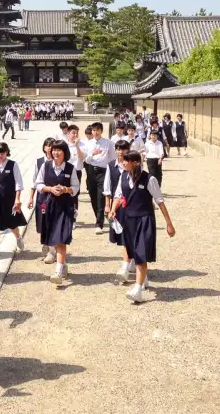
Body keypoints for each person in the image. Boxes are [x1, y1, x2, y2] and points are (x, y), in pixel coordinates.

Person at [109, 151, 176, 303]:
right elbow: (119, 196)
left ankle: (137, 289)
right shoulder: (123, 177)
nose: (123, 163)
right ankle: (143, 279)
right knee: (132, 250)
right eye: (123, 161)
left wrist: (169, 224)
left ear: (136, 162)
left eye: (127, 161)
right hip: (128, 220)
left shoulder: (149, 179)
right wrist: (113, 209)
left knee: (141, 253)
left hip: (145, 220)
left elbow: (159, 201)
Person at [34, 140, 79, 285]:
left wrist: (66, 189)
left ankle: (58, 270)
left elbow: (76, 187)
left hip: (65, 207)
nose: (55, 153)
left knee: (61, 238)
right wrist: (50, 189)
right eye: (54, 150)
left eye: (59, 150)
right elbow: (38, 183)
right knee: (53, 236)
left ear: (64, 153)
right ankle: (63, 265)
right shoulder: (45, 166)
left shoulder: (71, 168)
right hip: (50, 206)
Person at [103, 140, 133, 282]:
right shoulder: (111, 166)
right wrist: (108, 205)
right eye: (118, 149)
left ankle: (127, 264)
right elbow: (108, 187)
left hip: (132, 204)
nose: (120, 152)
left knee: (129, 234)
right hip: (118, 205)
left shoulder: (133, 165)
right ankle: (130, 260)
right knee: (122, 234)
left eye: (123, 149)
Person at [0, 142, 26, 251]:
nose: (0, 155)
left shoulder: (13, 165)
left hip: (9, 199)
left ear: (6, 152)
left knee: (11, 223)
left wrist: (17, 198)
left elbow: (18, 183)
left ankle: (18, 238)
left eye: (2, 153)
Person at [26, 138, 54, 262]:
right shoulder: (39, 162)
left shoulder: (57, 162)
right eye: (47, 146)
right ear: (44, 148)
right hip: (42, 198)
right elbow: (33, 182)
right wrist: (31, 198)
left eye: (51, 146)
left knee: (52, 222)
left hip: (54, 196)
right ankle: (46, 243)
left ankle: (52, 250)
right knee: (43, 220)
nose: (49, 148)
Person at [84, 123, 112, 234]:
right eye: (94, 130)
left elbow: (112, 157)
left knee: (101, 195)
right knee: (92, 195)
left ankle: (99, 224)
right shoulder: (88, 143)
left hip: (103, 171)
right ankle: (99, 216)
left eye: (97, 130)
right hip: (91, 170)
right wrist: (92, 154)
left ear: (101, 131)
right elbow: (86, 160)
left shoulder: (108, 143)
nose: (95, 132)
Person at [65, 125, 86, 221]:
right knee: (64, 194)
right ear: (68, 133)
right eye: (73, 133)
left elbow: (81, 158)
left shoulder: (82, 145)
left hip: (77, 172)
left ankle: (73, 218)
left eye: (77, 132)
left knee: (74, 195)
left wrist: (77, 146)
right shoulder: (64, 145)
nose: (75, 134)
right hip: (65, 172)